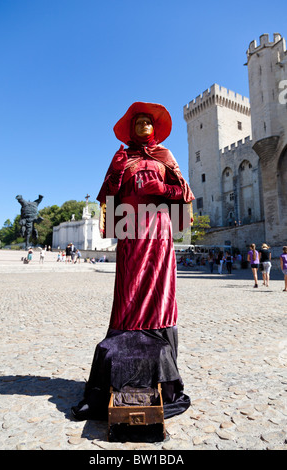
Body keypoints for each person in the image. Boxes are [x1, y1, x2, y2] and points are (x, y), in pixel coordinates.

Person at [71, 101, 195, 423]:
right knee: (129, 286)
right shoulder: (121, 158)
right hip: (131, 230)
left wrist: (159, 186)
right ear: (131, 128)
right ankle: (123, 346)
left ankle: (160, 354)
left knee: (159, 287)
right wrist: (113, 190)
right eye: (137, 121)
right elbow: (108, 197)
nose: (143, 126)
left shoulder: (166, 156)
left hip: (160, 229)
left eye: (147, 122)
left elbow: (184, 195)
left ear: (155, 128)